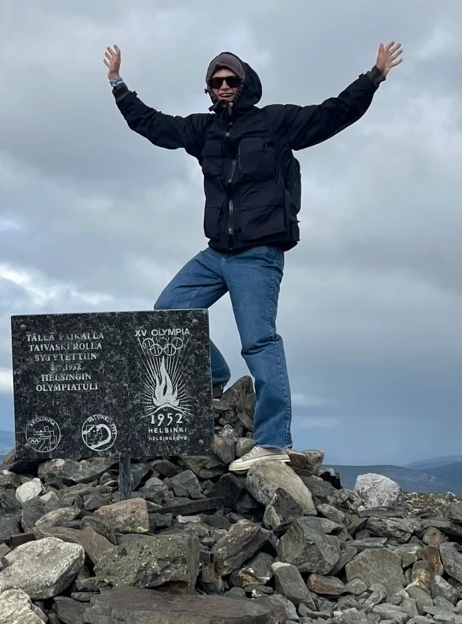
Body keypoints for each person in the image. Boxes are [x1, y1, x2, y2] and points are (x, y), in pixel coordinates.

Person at [105, 41, 402, 470]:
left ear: (245, 84)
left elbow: (332, 113)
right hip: (216, 253)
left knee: (259, 341)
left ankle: (273, 443)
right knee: (167, 312)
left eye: (231, 80)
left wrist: (373, 77)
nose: (224, 86)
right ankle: (213, 375)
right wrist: (118, 85)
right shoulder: (203, 131)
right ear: (209, 89)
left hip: (258, 254)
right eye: (216, 82)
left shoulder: (274, 122)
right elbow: (153, 124)